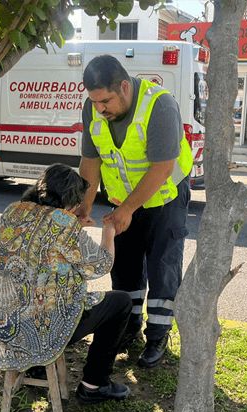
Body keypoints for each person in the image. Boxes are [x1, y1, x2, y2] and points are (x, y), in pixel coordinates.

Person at [0, 164, 133, 405]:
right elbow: (102, 265)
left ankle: (36, 367)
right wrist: (109, 231)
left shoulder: (13, 211)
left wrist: (73, 227)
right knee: (121, 302)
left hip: (1, 327)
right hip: (39, 331)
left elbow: (39, 244)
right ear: (70, 203)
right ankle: (95, 384)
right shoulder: (63, 222)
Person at [77, 55, 192, 369]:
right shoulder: (93, 108)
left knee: (163, 267)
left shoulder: (160, 105)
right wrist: (83, 205)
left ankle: (158, 335)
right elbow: (90, 162)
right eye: (94, 101)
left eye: (106, 101)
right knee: (124, 268)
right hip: (123, 202)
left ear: (124, 87)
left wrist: (127, 208)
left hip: (164, 200)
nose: (100, 109)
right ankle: (129, 327)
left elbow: (162, 168)